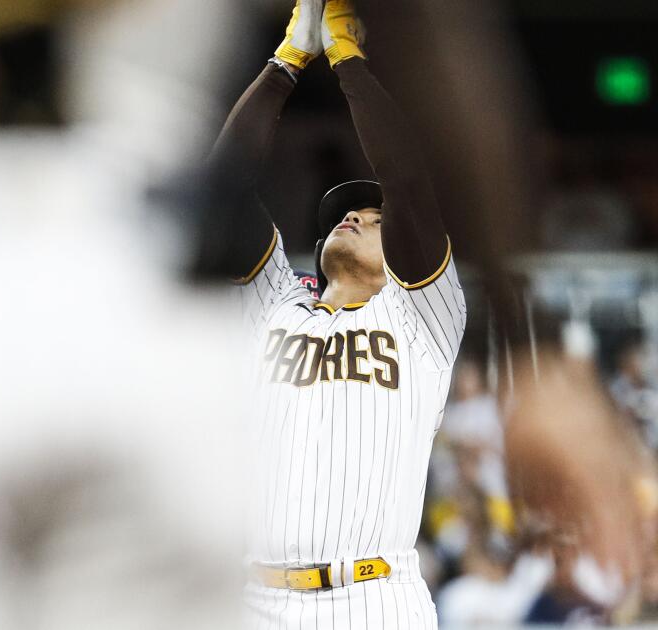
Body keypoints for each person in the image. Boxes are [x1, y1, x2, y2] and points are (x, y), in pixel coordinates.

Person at [216, 1, 465, 627]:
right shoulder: (273, 306)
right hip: (254, 601)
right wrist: (287, 60)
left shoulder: (421, 318)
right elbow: (220, 189)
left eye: (375, 220)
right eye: (347, 215)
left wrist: (348, 60)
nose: (354, 217)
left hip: (374, 597)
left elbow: (406, 179)